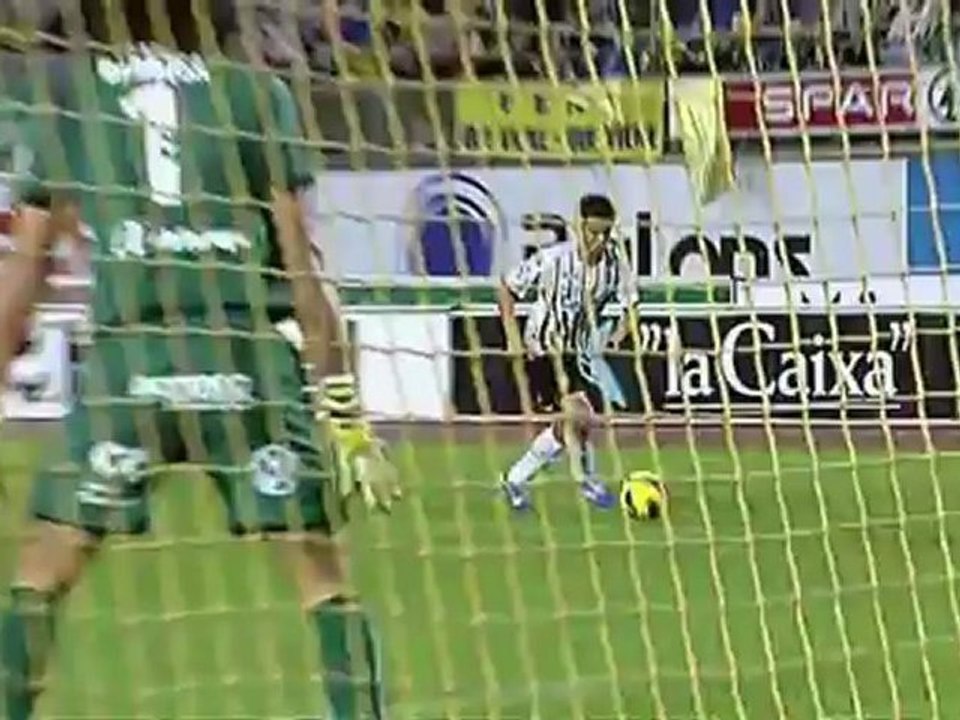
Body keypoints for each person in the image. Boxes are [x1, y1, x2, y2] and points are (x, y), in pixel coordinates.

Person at [0, 2, 399, 719]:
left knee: (42, 569)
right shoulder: (255, 93)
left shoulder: (71, 99)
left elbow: (27, 268)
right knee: (321, 574)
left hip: (130, 361)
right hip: (244, 355)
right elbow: (301, 269)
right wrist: (346, 415)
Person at [498, 193, 637, 511]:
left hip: (574, 352)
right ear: (578, 227)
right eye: (591, 232)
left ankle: (515, 480)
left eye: (604, 233)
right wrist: (512, 338)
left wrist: (618, 334)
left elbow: (632, 307)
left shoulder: (616, 267)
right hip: (541, 349)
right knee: (577, 415)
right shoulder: (552, 259)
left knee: (573, 425)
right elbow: (507, 287)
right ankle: (586, 482)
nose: (597, 241)